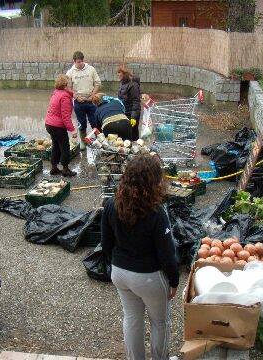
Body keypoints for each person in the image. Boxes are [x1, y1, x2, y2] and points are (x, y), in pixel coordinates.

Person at [101, 154, 179, 360]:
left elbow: (105, 243)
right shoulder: (156, 212)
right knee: (160, 322)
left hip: (120, 273)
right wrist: (174, 280)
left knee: (132, 319)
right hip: (148, 277)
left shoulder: (111, 204)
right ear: (154, 181)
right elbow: (167, 253)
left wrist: (116, 264)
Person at [66, 51, 101, 149]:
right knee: (82, 123)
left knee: (94, 122)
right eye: (78, 62)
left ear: (83, 60)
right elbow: (68, 87)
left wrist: (93, 95)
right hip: (78, 102)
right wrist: (76, 96)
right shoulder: (70, 73)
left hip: (91, 101)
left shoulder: (91, 69)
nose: (80, 64)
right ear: (74, 61)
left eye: (81, 61)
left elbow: (97, 83)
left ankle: (99, 140)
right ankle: (83, 142)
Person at [45, 75, 78, 177]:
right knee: (64, 147)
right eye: (69, 83)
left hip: (49, 124)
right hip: (57, 126)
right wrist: (72, 130)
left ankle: (54, 168)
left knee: (56, 146)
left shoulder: (56, 93)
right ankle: (65, 169)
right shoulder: (65, 97)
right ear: (65, 85)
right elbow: (65, 117)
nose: (71, 84)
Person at [117, 65, 141, 141]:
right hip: (124, 112)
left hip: (131, 113)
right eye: (118, 73)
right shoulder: (122, 84)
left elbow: (136, 101)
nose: (118, 75)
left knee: (133, 134)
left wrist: (134, 117)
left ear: (124, 74)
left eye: (119, 73)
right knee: (124, 134)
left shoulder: (133, 85)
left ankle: (136, 149)